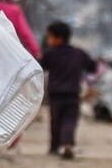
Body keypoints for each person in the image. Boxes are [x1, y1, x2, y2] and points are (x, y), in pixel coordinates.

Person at [38, 21, 99, 160]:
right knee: (69, 121)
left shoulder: (50, 54)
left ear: (58, 38)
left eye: (50, 37)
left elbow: (39, 66)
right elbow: (92, 66)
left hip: (55, 96)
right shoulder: (78, 53)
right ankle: (67, 144)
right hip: (73, 95)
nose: (48, 40)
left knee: (55, 122)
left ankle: (54, 147)